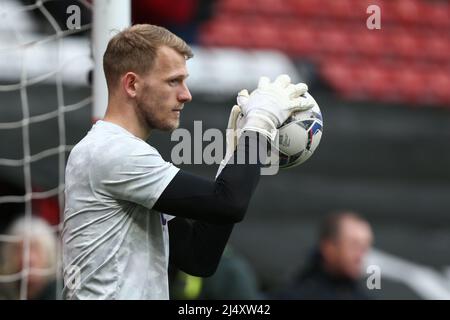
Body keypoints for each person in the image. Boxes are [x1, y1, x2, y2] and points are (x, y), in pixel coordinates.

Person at [62, 24, 316, 300]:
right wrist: (259, 125)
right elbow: (228, 202)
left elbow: (198, 258)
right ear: (132, 84)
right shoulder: (112, 151)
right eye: (173, 81)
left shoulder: (123, 154)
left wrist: (234, 158)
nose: (186, 94)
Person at [276, 211, 374, 300]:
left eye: (365, 247)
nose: (361, 256)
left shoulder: (362, 295)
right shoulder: (293, 295)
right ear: (329, 248)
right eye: (354, 245)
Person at [0, 216, 59, 300]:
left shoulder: (60, 292)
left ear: (48, 253)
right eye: (18, 249)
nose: (26, 258)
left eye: (34, 248)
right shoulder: (4, 293)